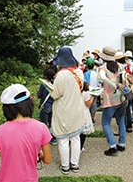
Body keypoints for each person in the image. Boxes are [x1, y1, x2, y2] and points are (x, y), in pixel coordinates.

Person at [0, 84, 52, 182]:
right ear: (29, 104)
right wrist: (39, 154)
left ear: (7, 109)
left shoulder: (0, 131)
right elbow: (47, 160)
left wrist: (2, 153)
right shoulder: (42, 128)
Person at [50, 47, 86, 175]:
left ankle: (65, 166)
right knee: (75, 138)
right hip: (77, 109)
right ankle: (75, 164)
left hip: (63, 111)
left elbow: (55, 94)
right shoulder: (79, 73)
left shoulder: (61, 75)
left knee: (63, 140)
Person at [98, 46, 127, 156]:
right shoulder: (120, 66)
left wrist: (112, 86)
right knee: (121, 120)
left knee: (106, 123)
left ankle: (112, 146)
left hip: (110, 100)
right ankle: (122, 144)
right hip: (122, 98)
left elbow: (103, 78)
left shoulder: (103, 68)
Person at [38, 67, 57, 144]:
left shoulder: (43, 85)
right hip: (53, 106)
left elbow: (40, 95)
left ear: (45, 76)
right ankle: (53, 138)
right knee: (52, 122)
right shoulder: (54, 84)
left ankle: (44, 139)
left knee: (44, 123)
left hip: (45, 106)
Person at [80, 82, 96, 153]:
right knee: (83, 132)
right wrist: (93, 97)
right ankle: (80, 147)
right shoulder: (85, 93)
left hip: (75, 111)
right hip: (84, 112)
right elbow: (88, 104)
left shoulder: (74, 91)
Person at [84, 58, 99, 123]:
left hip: (89, 91)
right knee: (94, 105)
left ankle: (88, 119)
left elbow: (87, 83)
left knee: (88, 105)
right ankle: (93, 117)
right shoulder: (96, 73)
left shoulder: (87, 73)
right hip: (96, 91)